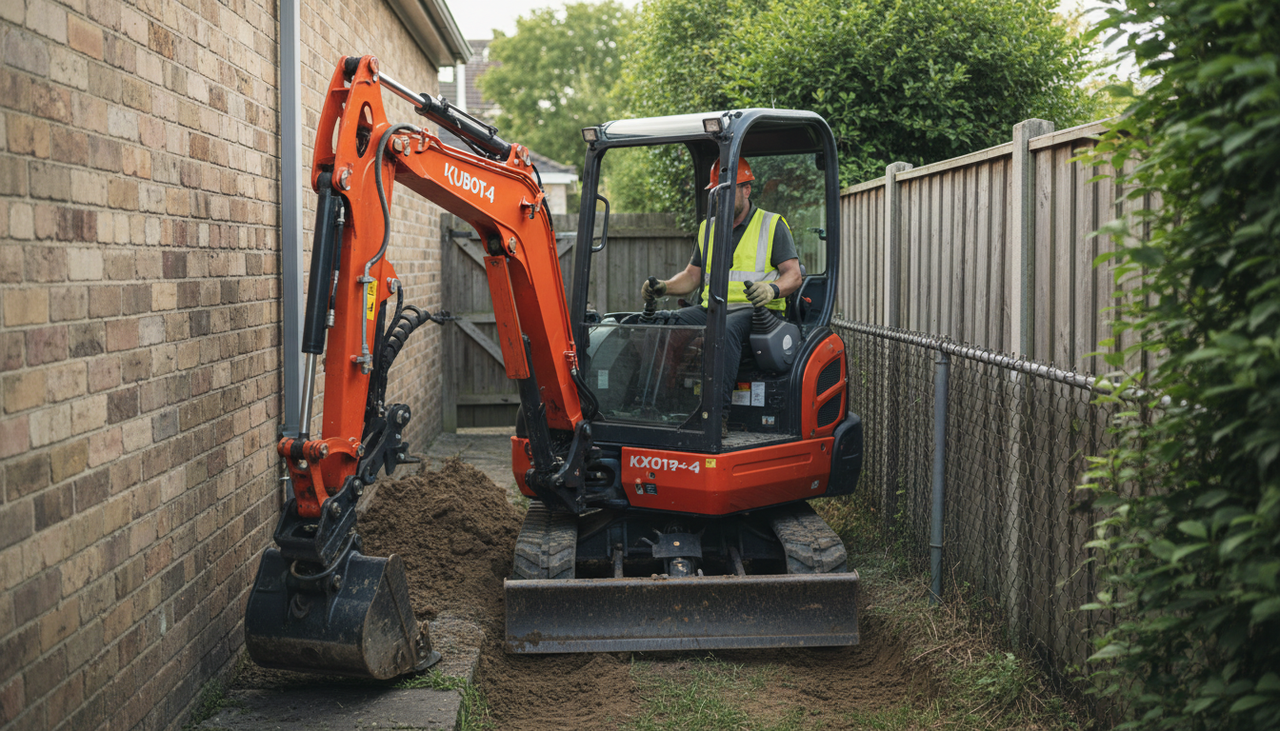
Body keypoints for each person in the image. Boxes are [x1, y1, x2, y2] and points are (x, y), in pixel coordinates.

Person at [640, 157, 802, 432]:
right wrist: (664, 286)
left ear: (746, 190)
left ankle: (716, 419)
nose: (720, 198)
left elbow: (794, 275)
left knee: (722, 331)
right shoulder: (708, 228)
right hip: (713, 308)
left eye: (727, 190)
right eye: (717, 191)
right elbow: (692, 276)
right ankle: (656, 409)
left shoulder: (772, 224)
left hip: (758, 314)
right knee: (663, 326)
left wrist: (771, 289)